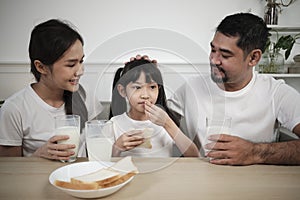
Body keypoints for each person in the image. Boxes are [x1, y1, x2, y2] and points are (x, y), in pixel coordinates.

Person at [167, 12, 300, 165]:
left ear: (253, 58)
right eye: (213, 50)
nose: (213, 60)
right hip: (201, 181)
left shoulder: (277, 93)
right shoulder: (192, 87)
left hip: (256, 184)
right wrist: (146, 77)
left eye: (225, 55)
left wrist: (255, 152)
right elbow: (158, 121)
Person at [0, 19, 103, 161]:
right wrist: (38, 155)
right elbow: (8, 171)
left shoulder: (86, 96)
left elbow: (98, 148)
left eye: (81, 61)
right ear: (41, 67)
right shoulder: (14, 109)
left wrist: (134, 70)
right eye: (71, 64)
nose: (80, 71)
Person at [109, 57, 199, 157]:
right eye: (137, 87)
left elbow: (194, 155)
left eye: (152, 87)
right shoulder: (114, 124)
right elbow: (102, 164)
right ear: (123, 91)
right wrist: (116, 148)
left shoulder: (165, 122)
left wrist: (167, 123)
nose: (145, 95)